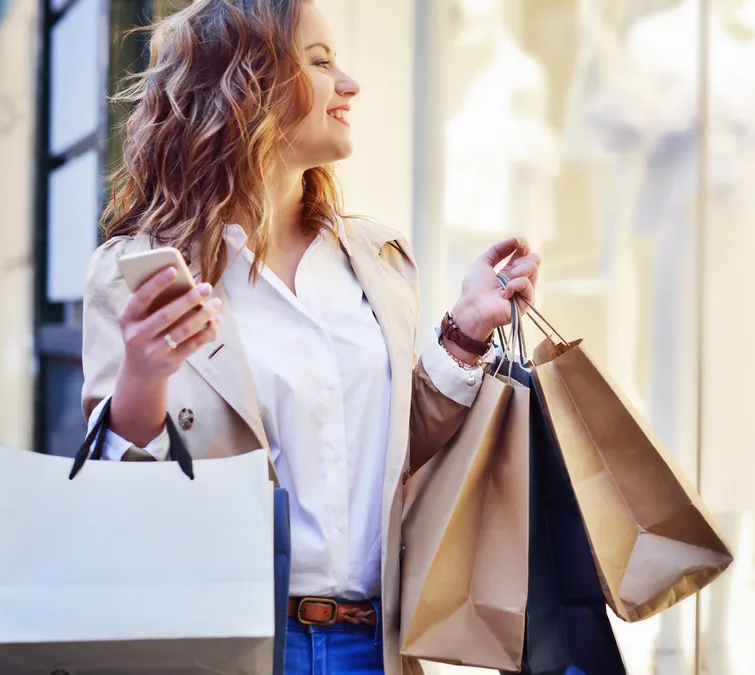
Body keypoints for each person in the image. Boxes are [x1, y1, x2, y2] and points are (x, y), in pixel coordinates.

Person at [79, 1, 541, 674]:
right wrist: (144, 376)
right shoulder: (139, 269)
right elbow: (113, 494)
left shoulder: (376, 257)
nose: (349, 83)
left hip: (373, 645)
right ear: (246, 87)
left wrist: (467, 329)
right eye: (320, 63)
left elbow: (395, 452)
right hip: (228, 646)